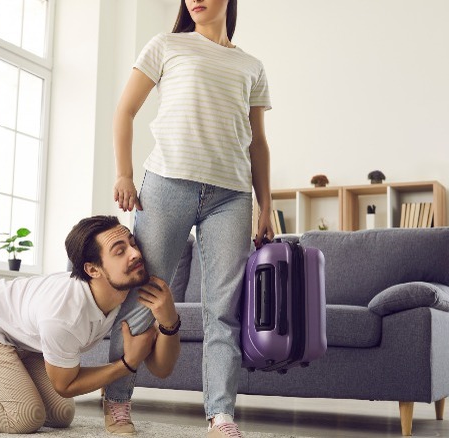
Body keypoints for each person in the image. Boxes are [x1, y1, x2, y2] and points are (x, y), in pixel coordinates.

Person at [106, 0, 274, 436]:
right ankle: (118, 402)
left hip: (232, 196)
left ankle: (221, 415)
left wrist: (266, 204)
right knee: (142, 295)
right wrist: (124, 172)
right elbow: (124, 110)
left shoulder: (251, 66)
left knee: (223, 311)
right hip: (167, 184)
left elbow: (257, 143)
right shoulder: (166, 46)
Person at [0, 215, 181, 434]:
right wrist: (126, 365)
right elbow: (65, 384)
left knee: (61, 414)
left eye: (132, 243)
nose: (136, 253)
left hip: (20, 342)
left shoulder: (130, 291)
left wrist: (169, 321)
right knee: (26, 416)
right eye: (120, 250)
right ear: (93, 270)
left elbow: (162, 369)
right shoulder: (64, 315)